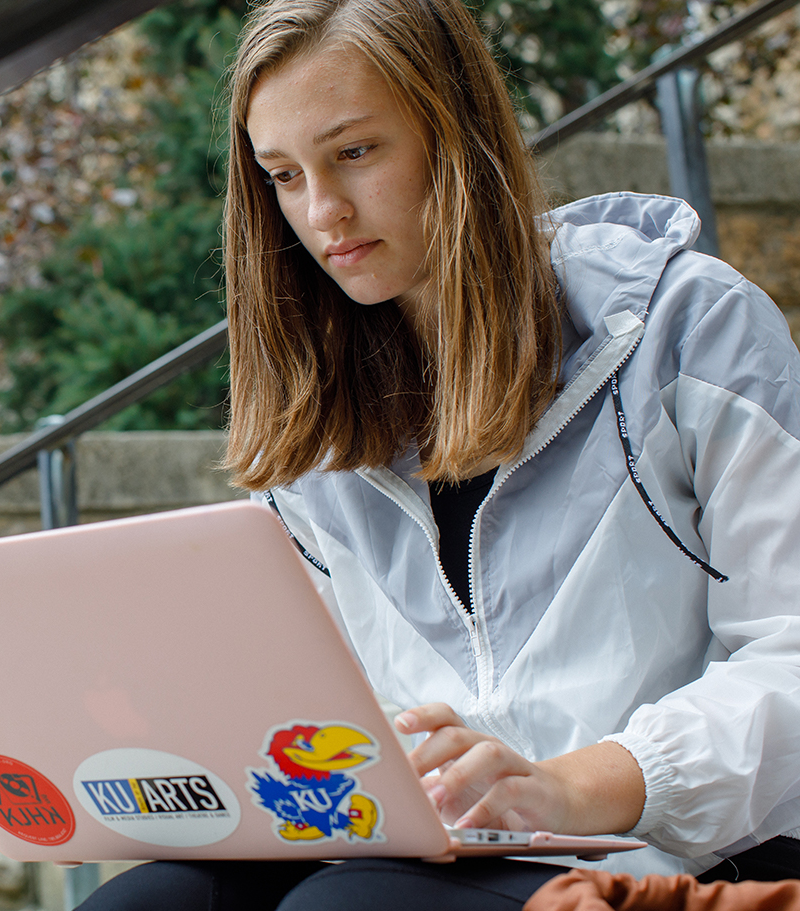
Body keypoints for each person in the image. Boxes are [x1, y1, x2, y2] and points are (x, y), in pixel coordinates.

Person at [79, 0, 800, 908]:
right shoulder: (322, 423)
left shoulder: (692, 327)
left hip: (670, 853)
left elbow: (792, 656)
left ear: (455, 134)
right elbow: (315, 723)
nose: (322, 210)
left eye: (354, 152)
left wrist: (578, 783)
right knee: (148, 901)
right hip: (434, 852)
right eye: (284, 175)